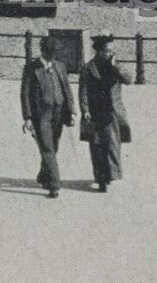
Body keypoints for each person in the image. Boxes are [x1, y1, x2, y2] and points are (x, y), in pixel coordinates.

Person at [20, 36, 76, 198]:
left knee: (54, 146)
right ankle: (54, 185)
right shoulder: (31, 68)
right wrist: (28, 117)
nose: (53, 55)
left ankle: (44, 175)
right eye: (50, 52)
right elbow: (24, 94)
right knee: (47, 147)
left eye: (55, 53)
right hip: (41, 115)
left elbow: (67, 89)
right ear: (43, 51)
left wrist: (71, 111)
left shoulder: (60, 66)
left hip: (58, 113)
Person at [78, 34, 132, 192]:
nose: (111, 54)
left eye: (112, 51)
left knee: (113, 145)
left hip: (112, 112)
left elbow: (129, 79)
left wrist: (116, 66)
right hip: (95, 112)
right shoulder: (88, 68)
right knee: (97, 146)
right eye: (108, 51)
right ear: (99, 51)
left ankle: (111, 175)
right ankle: (101, 178)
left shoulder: (115, 66)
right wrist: (85, 110)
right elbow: (83, 91)